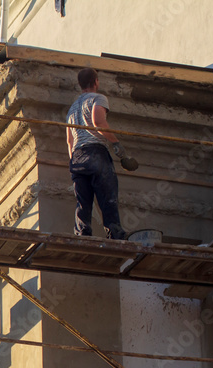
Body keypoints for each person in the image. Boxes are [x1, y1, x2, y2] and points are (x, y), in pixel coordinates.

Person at [66, 67, 136, 240]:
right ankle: (115, 233)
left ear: (80, 84)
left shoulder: (72, 109)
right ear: (96, 81)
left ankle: (82, 233)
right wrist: (117, 144)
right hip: (96, 152)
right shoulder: (98, 98)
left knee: (83, 201)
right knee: (107, 196)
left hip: (77, 157)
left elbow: (70, 140)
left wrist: (73, 163)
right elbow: (98, 122)